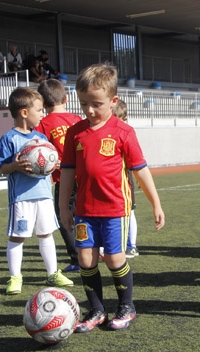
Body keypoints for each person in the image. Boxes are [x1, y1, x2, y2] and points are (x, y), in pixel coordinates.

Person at [58, 63, 165, 332]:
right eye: (84, 104)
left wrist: (156, 203)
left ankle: (126, 307)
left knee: (115, 259)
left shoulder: (123, 132)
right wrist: (63, 208)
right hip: (84, 210)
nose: (89, 110)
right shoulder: (75, 132)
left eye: (96, 104)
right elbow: (67, 173)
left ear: (113, 101)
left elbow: (140, 170)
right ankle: (95, 310)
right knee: (85, 260)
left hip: (115, 209)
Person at [0, 87, 74, 295]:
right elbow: (1, 167)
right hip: (22, 197)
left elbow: (48, 160)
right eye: (38, 110)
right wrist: (15, 166)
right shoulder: (9, 139)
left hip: (45, 195)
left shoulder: (41, 137)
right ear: (23, 112)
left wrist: (52, 164)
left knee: (46, 234)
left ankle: (53, 273)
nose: (42, 114)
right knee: (17, 237)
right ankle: (15, 277)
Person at [34, 79, 83, 272]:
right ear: (66, 98)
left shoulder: (43, 124)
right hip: (84, 174)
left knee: (63, 217)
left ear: (43, 104)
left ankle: (77, 259)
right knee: (85, 213)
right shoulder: (77, 120)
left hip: (64, 178)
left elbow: (34, 148)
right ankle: (96, 248)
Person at [113, 99, 139, 258]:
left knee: (129, 212)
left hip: (124, 179)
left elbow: (136, 160)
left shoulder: (127, 132)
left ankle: (132, 246)